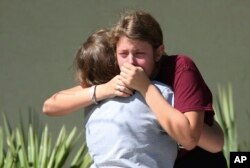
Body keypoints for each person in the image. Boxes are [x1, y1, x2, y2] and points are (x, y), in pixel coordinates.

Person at [43, 11, 227, 168]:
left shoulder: (180, 68)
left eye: (140, 54)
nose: (130, 62)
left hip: (195, 161)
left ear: (159, 52)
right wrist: (103, 90)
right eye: (123, 53)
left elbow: (195, 139)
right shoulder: (117, 72)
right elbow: (51, 106)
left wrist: (145, 87)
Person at [73, 28, 178, 167]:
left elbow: (51, 104)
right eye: (123, 53)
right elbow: (193, 133)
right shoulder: (160, 93)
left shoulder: (90, 100)